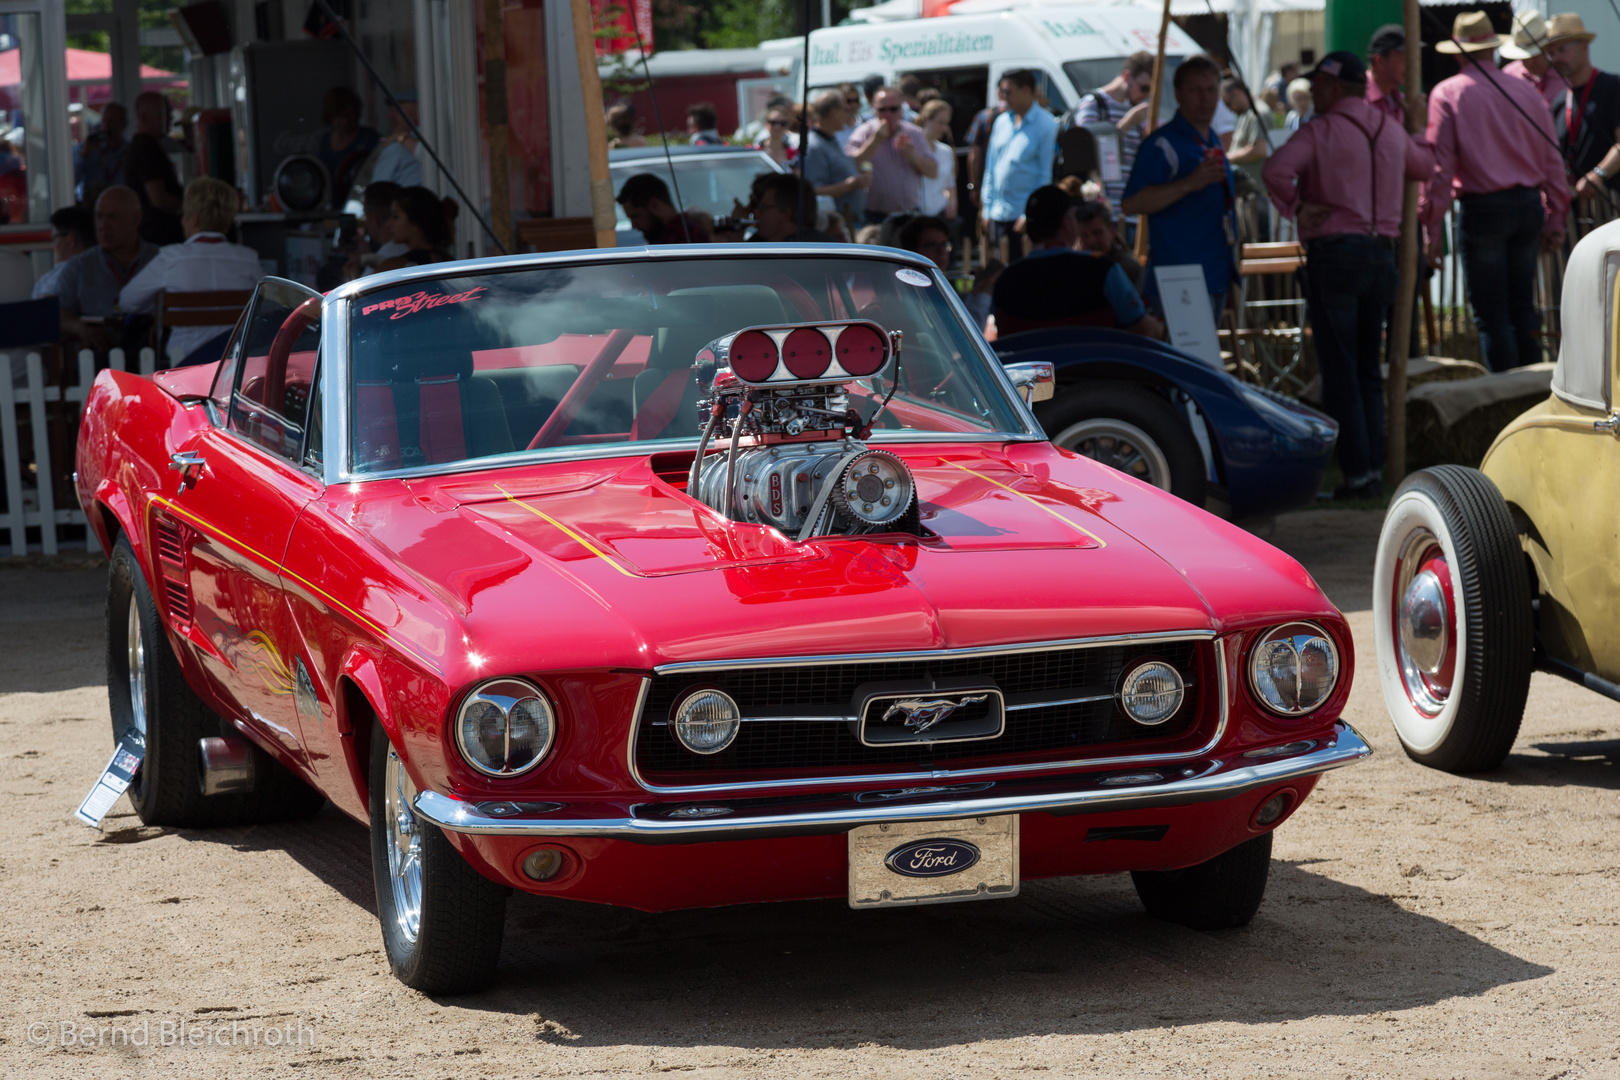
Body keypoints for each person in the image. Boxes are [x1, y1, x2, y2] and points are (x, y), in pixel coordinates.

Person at [1263, 51, 1437, 501]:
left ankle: (1359, 474)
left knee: (1341, 370)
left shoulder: (1321, 130)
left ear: (1334, 86)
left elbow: (1275, 170)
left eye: (1318, 84)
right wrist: (1416, 129)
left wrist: (1299, 207)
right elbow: (1424, 167)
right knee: (1366, 369)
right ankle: (1372, 468)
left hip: (1338, 254)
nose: (1314, 91)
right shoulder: (1390, 127)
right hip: (1383, 256)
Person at [1423, 10, 1568, 372]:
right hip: (1527, 205)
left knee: (1493, 315)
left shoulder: (1447, 94)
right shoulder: (1524, 91)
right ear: (1493, 47)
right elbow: (1552, 157)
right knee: (1522, 307)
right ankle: (1532, 392)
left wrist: (1431, 228)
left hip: (1484, 208)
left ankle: (1506, 398)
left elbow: (1439, 170)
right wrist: (1557, 215)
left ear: (1458, 52)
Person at [1122, 54, 1238, 318]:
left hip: (1215, 270)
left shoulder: (1212, 139)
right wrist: (1188, 184)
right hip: (1180, 275)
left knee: (1204, 358)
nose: (1205, 98)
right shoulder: (1163, 143)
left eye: (1211, 90)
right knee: (1189, 358)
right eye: (1195, 90)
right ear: (1178, 94)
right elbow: (1132, 203)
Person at [120, 177, 264, 364]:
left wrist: (159, 306)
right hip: (234, 364)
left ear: (193, 219)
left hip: (184, 362)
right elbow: (267, 305)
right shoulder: (248, 258)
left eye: (184, 214)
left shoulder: (170, 258)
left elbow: (127, 300)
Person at [992, 186, 1163, 338]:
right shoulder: (1102, 269)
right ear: (1067, 223)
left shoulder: (1005, 280)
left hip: (1027, 372)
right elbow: (1144, 329)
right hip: (1093, 370)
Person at [53, 186, 159, 352]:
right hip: (97, 357)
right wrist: (81, 329)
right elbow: (57, 313)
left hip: (154, 354)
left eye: (112, 217)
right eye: (99, 217)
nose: (103, 225)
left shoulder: (160, 260)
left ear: (136, 218)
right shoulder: (79, 267)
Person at [981, 69, 1058, 263]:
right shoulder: (1001, 122)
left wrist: (1030, 213)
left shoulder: (1046, 124)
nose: (1003, 97)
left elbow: (1045, 174)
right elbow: (991, 167)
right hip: (998, 214)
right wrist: (987, 209)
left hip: (1023, 217)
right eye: (1001, 91)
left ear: (1026, 90)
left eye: (1008, 91)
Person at [1545, 13, 1620, 203]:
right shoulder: (1560, 100)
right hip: (1575, 213)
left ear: (1583, 46)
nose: (1556, 58)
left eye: (1562, 50)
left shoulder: (1613, 87)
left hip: (1610, 208)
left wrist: (1599, 174)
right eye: (1551, 53)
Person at [1074, 52, 1155, 215]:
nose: (1146, 95)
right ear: (1127, 76)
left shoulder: (1133, 110)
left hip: (1132, 212)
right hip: (1102, 213)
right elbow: (1085, 149)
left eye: (1150, 91)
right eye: (1144, 88)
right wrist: (1127, 124)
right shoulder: (1094, 103)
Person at [846, 86, 938, 226]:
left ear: (901, 109)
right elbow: (850, 166)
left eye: (893, 109)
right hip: (875, 217)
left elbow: (933, 171)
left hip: (910, 214)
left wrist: (913, 156)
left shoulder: (914, 133)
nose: (888, 114)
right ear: (874, 109)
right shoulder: (864, 133)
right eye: (882, 110)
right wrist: (874, 141)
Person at [802, 90, 871, 225]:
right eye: (845, 110)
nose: (848, 114)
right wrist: (850, 185)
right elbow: (813, 191)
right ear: (834, 112)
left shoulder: (831, 140)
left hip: (851, 222)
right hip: (836, 227)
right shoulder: (814, 146)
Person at [124, 92, 183, 246]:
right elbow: (159, 199)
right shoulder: (145, 149)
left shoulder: (148, 146)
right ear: (144, 117)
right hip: (157, 238)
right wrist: (192, 208)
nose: (170, 118)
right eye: (164, 114)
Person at [313, 86, 380, 209]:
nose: (344, 121)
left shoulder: (369, 138)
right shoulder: (322, 142)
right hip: (329, 209)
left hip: (361, 206)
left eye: (348, 115)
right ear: (329, 116)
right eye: (338, 116)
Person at [615, 173, 712, 245]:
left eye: (635, 216)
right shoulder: (667, 237)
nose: (634, 225)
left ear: (654, 205)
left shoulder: (685, 237)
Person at [1073, 199, 1145, 291]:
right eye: (1084, 235)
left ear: (1110, 231)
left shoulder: (1129, 269)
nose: (1091, 241)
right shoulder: (1073, 270)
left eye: (1097, 233)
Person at [378, 187, 459, 269]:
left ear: (416, 223)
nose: (389, 224)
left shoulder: (393, 267)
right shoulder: (450, 263)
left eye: (396, 217)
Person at [1501, 12, 1565, 108]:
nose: (1529, 63)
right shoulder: (1509, 74)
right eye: (1523, 57)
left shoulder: (1565, 77)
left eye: (1534, 55)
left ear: (1547, 48)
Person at [31, 205, 95, 300]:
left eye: (55, 238)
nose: (52, 246)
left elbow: (44, 307)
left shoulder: (64, 275)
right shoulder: (100, 268)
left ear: (71, 240)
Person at [747, 173, 832, 243]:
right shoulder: (759, 242)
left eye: (763, 208)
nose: (756, 213)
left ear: (786, 214)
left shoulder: (817, 251)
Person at [964, 90, 1007, 221]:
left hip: (988, 182)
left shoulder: (983, 117)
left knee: (986, 225)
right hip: (1009, 182)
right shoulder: (1020, 117)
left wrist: (974, 186)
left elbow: (974, 156)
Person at [915, 100, 957, 222]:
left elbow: (950, 183)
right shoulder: (912, 148)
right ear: (927, 119)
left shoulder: (946, 151)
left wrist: (952, 202)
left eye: (947, 123)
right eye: (940, 123)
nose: (944, 128)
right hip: (917, 216)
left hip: (940, 216)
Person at [369, 96, 425, 187]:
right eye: (392, 110)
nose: (390, 116)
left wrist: (400, 137)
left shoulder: (396, 147)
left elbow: (378, 194)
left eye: (398, 110)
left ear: (419, 112)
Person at [77, 102, 128, 201]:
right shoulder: (88, 149)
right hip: (93, 205)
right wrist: (84, 155)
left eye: (111, 121)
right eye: (104, 121)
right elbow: (71, 181)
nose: (106, 126)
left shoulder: (131, 151)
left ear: (124, 124)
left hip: (123, 204)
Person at [836, 83, 863, 148]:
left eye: (856, 100)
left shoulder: (866, 122)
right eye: (848, 101)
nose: (853, 105)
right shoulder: (833, 130)